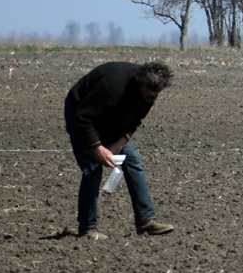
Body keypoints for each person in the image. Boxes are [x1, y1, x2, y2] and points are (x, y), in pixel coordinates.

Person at [64, 61, 175, 239]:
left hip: (113, 119)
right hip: (82, 114)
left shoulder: (149, 95)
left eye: (158, 90)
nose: (155, 94)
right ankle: (87, 228)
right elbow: (82, 116)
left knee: (134, 163)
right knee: (93, 169)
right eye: (151, 89)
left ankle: (146, 221)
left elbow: (135, 121)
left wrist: (120, 143)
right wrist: (98, 148)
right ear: (140, 82)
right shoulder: (113, 86)